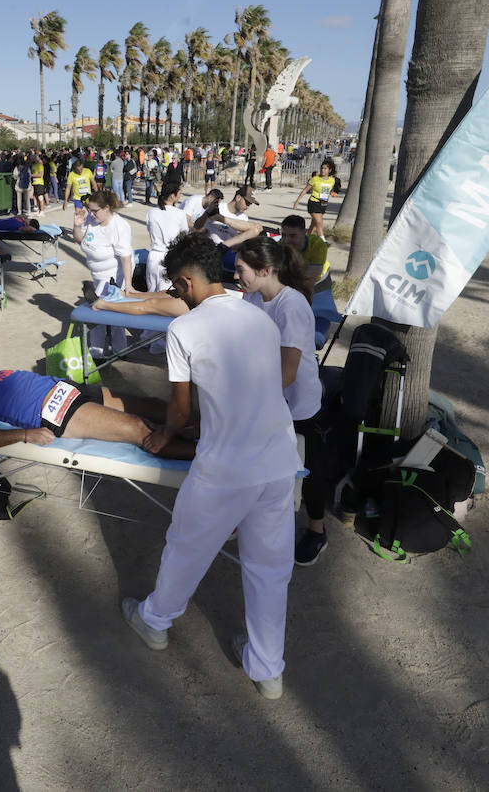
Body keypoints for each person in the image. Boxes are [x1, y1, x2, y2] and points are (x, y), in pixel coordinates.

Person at [122, 231, 300, 701]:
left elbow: (179, 412)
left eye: (176, 289)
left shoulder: (185, 328)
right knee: (268, 569)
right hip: (279, 461)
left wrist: (161, 436)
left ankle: (154, 621)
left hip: (226, 469)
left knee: (186, 547)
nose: (176, 297)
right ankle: (267, 669)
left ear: (186, 281)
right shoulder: (259, 318)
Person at [233, 238, 325, 564]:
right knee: (256, 462)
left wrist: (244, 397)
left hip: (298, 405)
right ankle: (245, 517)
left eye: (240, 270)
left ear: (265, 270)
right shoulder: (254, 298)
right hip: (268, 398)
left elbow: (287, 374)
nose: (235, 276)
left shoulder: (292, 305)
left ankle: (317, 531)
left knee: (306, 470)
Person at [0, 366, 188, 454]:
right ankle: (212, 459)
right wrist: (27, 435)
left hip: (66, 389)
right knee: (141, 430)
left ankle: (213, 428)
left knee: (154, 405)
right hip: (56, 409)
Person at [73, 189, 134, 358]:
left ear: (106, 208)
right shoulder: (91, 221)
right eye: (90, 210)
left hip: (115, 276)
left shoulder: (120, 226)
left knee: (112, 314)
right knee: (97, 313)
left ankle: (118, 350)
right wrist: (77, 225)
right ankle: (99, 351)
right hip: (97, 275)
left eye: (95, 210)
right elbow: (79, 239)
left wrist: (128, 285)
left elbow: (126, 257)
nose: (91, 214)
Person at [146, 180, 191, 295]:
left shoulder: (151, 212)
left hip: (153, 257)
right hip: (170, 259)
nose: (181, 195)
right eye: (179, 193)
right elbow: (184, 235)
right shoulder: (180, 214)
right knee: (166, 295)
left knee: (151, 293)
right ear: (172, 195)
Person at [278, 214, 330, 284]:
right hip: (296, 278)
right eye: (283, 235)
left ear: (304, 233)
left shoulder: (317, 245)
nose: (286, 240)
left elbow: (311, 278)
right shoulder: (280, 244)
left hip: (320, 280)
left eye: (292, 236)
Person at [292, 159, 337, 237]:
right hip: (314, 202)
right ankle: (323, 241)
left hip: (323, 204)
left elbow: (327, 190)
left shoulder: (332, 180)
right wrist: (297, 201)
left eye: (325, 168)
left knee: (313, 225)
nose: (322, 170)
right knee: (319, 223)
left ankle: (306, 239)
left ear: (329, 170)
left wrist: (331, 193)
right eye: (322, 168)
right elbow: (305, 190)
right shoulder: (315, 179)